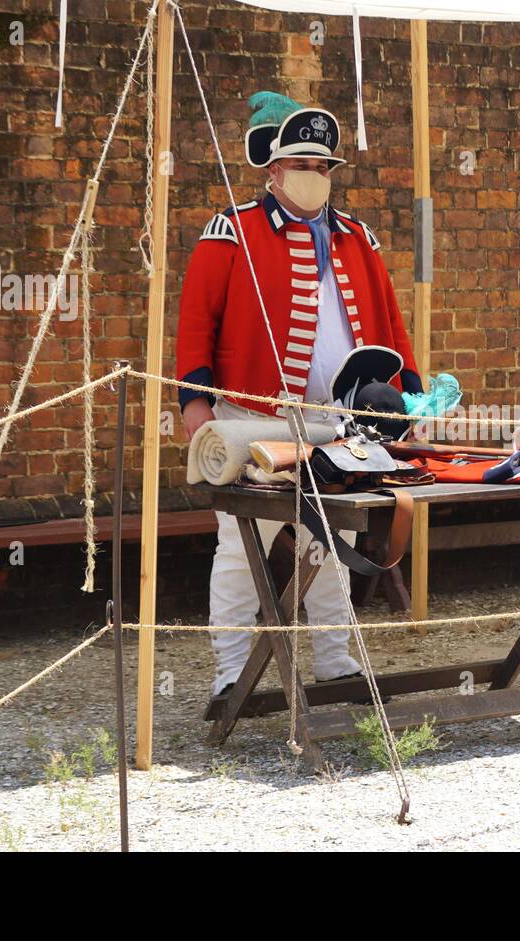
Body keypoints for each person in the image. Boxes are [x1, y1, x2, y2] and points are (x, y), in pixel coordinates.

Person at [176, 92, 421, 697]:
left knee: (330, 541)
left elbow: (391, 326)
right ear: (274, 169)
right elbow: (194, 323)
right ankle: (231, 675)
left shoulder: (358, 237)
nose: (315, 177)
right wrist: (194, 404)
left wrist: (406, 399)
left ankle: (334, 663)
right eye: (303, 166)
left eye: (323, 167)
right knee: (241, 545)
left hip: (341, 422)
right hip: (252, 418)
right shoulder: (231, 231)